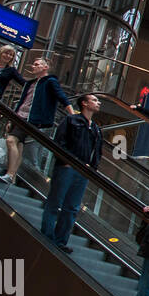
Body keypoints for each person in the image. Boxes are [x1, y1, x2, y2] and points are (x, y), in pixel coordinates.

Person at [40, 93, 103, 252]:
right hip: (66, 168)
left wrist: (92, 168)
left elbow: (97, 151)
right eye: (94, 100)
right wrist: (66, 161)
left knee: (72, 207)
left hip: (83, 171)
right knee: (55, 202)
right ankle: (47, 236)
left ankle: (61, 241)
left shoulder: (96, 128)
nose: (98, 103)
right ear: (84, 103)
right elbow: (59, 142)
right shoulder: (71, 120)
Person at [0, 56, 73, 185]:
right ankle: (13, 176)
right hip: (19, 116)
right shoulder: (30, 84)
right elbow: (22, 102)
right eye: (33, 64)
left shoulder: (49, 81)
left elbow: (61, 96)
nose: (34, 66)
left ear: (45, 67)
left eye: (37, 64)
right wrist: (12, 118)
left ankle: (10, 174)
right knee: (19, 145)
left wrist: (72, 114)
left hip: (31, 119)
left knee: (11, 140)